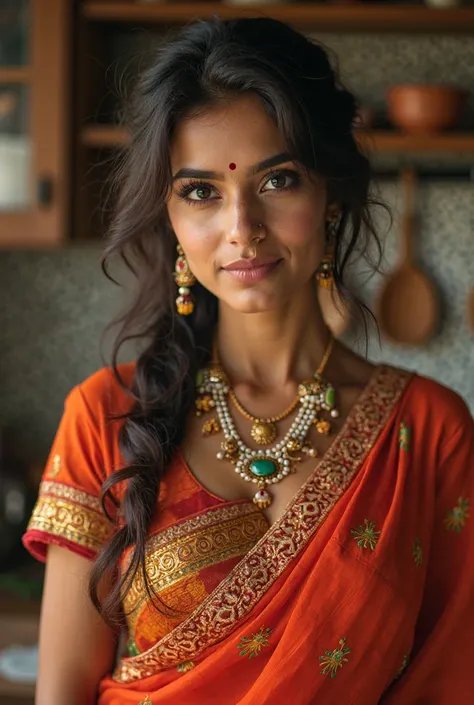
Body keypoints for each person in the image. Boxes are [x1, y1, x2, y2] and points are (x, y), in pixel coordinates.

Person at [23, 16, 473, 705]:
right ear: (168, 215)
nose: (241, 229)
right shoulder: (106, 416)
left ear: (330, 195)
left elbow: (451, 677)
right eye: (201, 191)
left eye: (278, 179)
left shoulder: (428, 431)